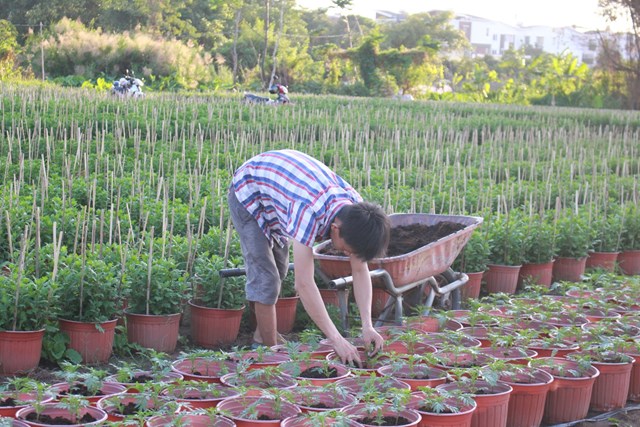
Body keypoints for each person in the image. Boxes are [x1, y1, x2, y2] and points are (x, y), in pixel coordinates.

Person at [228, 149, 390, 366]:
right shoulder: (308, 211)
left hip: (280, 191)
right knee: (267, 279)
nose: (348, 255)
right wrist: (336, 340)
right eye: (348, 250)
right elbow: (304, 284)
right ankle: (268, 354)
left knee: (280, 268)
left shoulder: (356, 212)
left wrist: (368, 326)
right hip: (249, 190)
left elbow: (360, 270)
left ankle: (262, 334)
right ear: (335, 229)